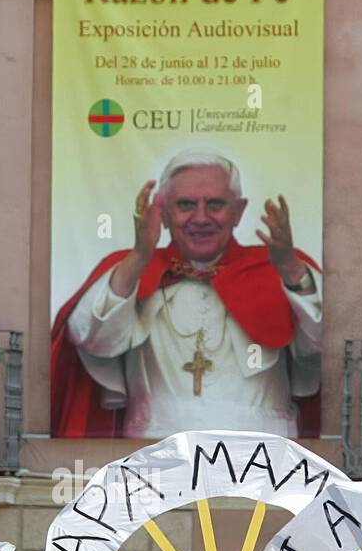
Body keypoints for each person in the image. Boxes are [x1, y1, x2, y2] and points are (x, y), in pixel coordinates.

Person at [51, 150, 322, 438]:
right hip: (154, 452)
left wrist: (292, 270)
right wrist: (139, 257)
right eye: (186, 205)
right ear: (164, 214)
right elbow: (91, 339)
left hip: (260, 455)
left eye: (215, 204)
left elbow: (320, 345)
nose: (201, 217)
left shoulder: (278, 269)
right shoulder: (131, 272)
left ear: (239, 211)